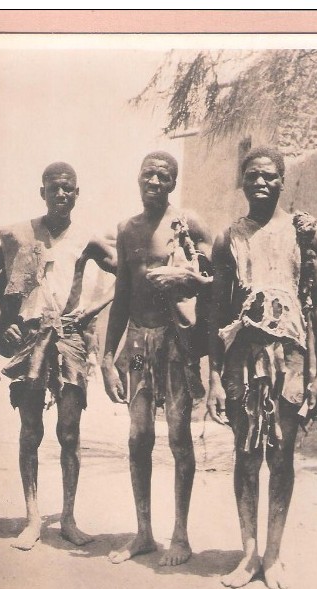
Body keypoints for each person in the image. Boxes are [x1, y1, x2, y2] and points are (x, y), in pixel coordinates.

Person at [207, 147, 317, 589]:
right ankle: (248, 554)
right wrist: (215, 379)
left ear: (283, 182)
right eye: (252, 176)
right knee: (246, 456)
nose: (260, 182)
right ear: (242, 182)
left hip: (291, 359)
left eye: (269, 176)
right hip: (243, 359)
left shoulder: (304, 234)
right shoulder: (228, 239)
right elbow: (218, 311)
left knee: (281, 457)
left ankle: (274, 554)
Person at [0, 162, 116, 551]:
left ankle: (68, 518)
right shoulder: (21, 235)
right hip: (31, 337)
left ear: (76, 193)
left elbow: (126, 273)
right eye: (54, 188)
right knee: (30, 431)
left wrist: (92, 309)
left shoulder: (87, 238)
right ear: (42, 192)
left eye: (68, 188)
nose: (61, 194)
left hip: (69, 337)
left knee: (69, 433)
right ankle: (33, 517)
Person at [101, 151, 212, 566]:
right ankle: (144, 532)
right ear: (137, 177)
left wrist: (185, 276)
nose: (154, 181)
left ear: (172, 183)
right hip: (138, 343)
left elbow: (217, 277)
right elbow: (122, 297)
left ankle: (180, 536)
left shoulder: (188, 223)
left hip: (175, 340)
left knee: (179, 436)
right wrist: (107, 358)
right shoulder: (127, 230)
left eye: (163, 176)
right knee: (138, 437)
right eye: (148, 174)